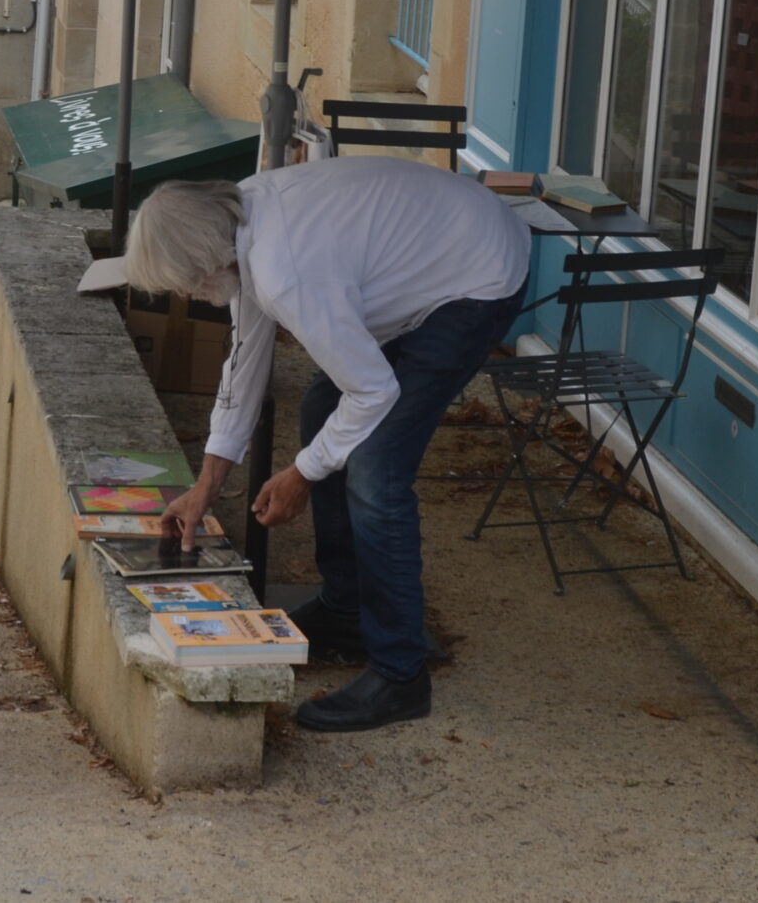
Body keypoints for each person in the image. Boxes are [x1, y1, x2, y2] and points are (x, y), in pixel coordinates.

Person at [125, 156, 531, 734]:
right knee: (320, 408)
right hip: (431, 252)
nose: (191, 298)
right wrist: (205, 486)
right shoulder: (239, 220)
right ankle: (346, 609)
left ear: (207, 262)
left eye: (187, 286)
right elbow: (244, 364)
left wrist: (303, 474)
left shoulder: (285, 270)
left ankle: (399, 673)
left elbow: (371, 393)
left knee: (375, 469)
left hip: (478, 272)